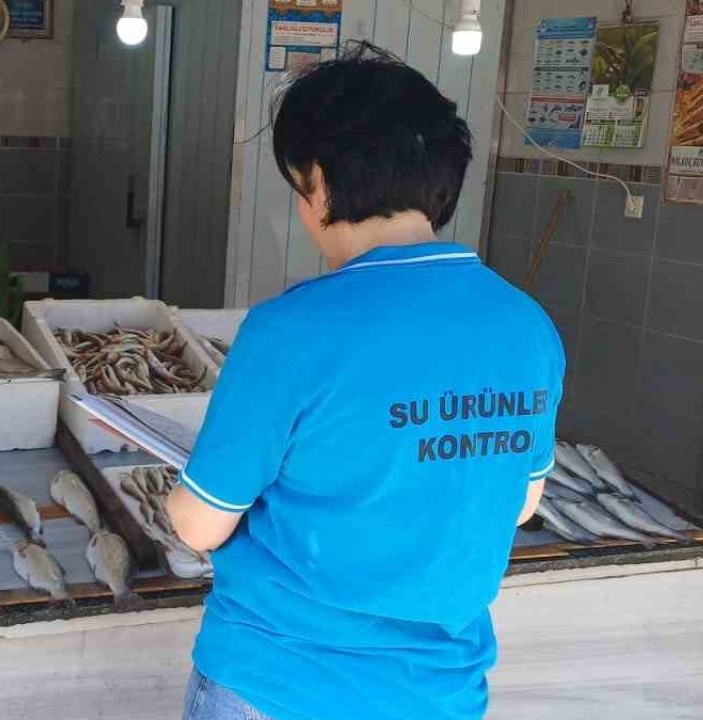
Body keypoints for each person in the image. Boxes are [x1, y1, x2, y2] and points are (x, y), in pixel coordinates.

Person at [167, 42, 564, 720]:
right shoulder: (527, 326)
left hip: (277, 683)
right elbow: (521, 506)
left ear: (317, 182)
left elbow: (199, 525)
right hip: (437, 694)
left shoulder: (288, 332)